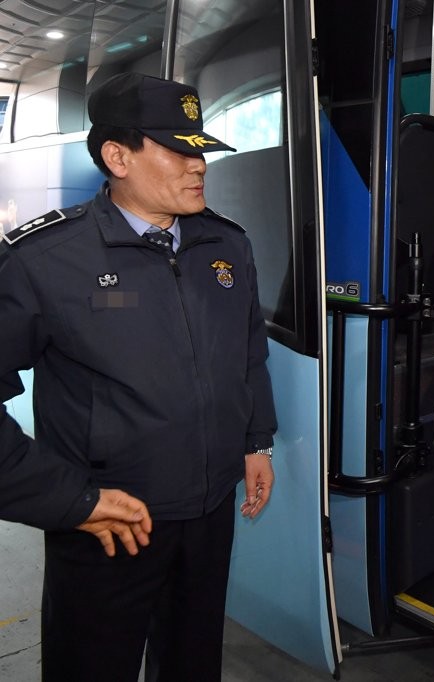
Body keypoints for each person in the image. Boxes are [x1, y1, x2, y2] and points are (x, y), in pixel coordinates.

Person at [0, 72, 277, 681]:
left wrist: (256, 440)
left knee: (193, 662)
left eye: (200, 149)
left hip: (209, 510)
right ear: (117, 156)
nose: (198, 165)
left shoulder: (225, 246)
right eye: (177, 150)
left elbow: (246, 351)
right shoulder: (45, 261)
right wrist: (68, 500)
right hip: (108, 520)